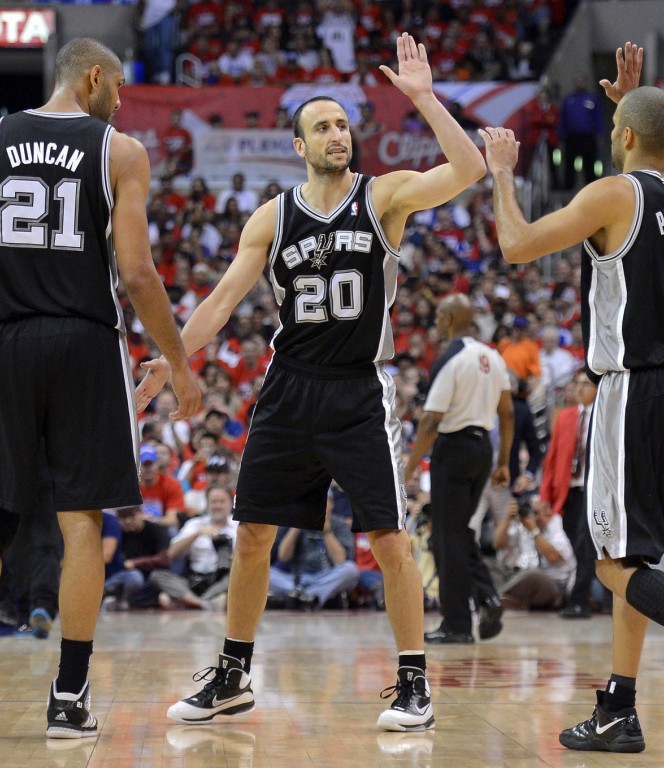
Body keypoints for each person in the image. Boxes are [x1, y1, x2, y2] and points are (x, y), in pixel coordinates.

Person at [139, 32, 486, 732]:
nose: (337, 134)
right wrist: (173, 358)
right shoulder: (272, 215)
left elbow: (470, 167)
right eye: (322, 126)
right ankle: (233, 675)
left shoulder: (383, 195)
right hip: (288, 386)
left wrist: (423, 99)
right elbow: (224, 299)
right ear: (298, 145)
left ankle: (414, 682)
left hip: (358, 389)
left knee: (387, 540)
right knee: (253, 536)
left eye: (343, 124)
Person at [479, 41, 664, 752]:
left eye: (615, 130)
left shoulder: (612, 194)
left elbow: (516, 245)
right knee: (639, 562)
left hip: (632, 387)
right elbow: (634, 191)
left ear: (626, 136)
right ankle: (619, 707)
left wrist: (503, 176)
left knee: (607, 559)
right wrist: (629, 110)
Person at [0, 38, 200, 738]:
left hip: (3, 340)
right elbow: (138, 274)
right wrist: (179, 359)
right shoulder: (120, 150)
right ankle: (69, 699)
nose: (121, 100)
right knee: (82, 523)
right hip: (84, 341)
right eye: (117, 87)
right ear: (91, 77)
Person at [404, 293, 514, 644]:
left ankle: (457, 626)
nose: (435, 321)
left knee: (446, 538)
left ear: (450, 318)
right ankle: (486, 596)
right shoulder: (493, 356)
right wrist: (503, 462)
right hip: (483, 449)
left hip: (453, 449)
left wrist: (408, 468)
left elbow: (431, 421)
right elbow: (508, 412)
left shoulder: (450, 358)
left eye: (438, 314)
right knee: (457, 531)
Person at [540, 372, 598, 619]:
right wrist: (545, 495)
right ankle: (592, 595)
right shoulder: (564, 417)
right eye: (577, 384)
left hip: (595, 489)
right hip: (569, 490)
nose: (580, 388)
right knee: (577, 542)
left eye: (586, 384)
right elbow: (551, 459)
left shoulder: (604, 414)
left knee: (586, 543)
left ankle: (579, 601)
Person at [150, 484, 238, 610]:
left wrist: (233, 556)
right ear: (207, 504)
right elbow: (172, 553)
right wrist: (197, 534)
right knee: (157, 575)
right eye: (213, 502)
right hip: (193, 580)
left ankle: (191, 602)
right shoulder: (195, 524)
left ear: (230, 503)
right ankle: (204, 603)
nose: (217, 506)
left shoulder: (238, 527)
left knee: (238, 578)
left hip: (222, 580)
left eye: (222, 502)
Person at [268, 493, 359, 610]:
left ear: (331, 504)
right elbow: (283, 557)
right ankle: (312, 596)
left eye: (323, 502)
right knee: (266, 572)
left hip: (327, 576)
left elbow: (340, 561)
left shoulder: (340, 524)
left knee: (351, 570)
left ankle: (302, 596)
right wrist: (296, 526)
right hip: (297, 579)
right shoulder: (291, 521)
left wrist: (326, 531)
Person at [493, 496, 576, 611]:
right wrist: (508, 517)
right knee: (490, 566)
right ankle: (512, 601)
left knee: (533, 575)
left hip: (554, 585)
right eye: (531, 512)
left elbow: (553, 557)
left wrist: (534, 531)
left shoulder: (557, 523)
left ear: (547, 512)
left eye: (536, 513)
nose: (533, 517)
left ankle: (494, 599)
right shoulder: (525, 526)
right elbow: (498, 544)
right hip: (521, 577)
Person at [559, 74, 604, 189]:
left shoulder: (592, 99)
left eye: (582, 81)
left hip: (588, 137)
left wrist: (600, 133)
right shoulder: (569, 99)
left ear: (585, 83)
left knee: (589, 163)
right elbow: (563, 118)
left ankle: (591, 187)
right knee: (569, 163)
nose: (580, 84)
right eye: (578, 81)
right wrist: (561, 133)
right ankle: (568, 187)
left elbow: (597, 117)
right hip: (572, 137)